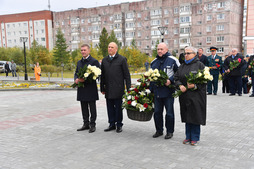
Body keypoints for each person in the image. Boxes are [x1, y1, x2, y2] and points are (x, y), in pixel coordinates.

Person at [174, 46, 207, 146]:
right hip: (185, 96)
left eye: (188, 53)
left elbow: (205, 80)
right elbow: (176, 78)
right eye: (185, 53)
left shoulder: (200, 65)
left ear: (194, 54)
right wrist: (179, 85)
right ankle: (188, 136)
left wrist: (195, 85)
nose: (186, 55)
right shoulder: (182, 66)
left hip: (196, 96)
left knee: (195, 116)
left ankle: (195, 137)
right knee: (187, 115)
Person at [150, 43, 180, 139]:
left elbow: (179, 73)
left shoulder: (173, 60)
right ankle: (159, 130)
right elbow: (150, 76)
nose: (159, 51)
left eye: (161, 49)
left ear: (166, 50)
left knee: (169, 113)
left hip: (168, 92)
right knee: (157, 113)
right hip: (157, 92)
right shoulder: (154, 62)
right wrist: (150, 90)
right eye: (158, 49)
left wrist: (171, 80)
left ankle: (170, 131)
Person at [100, 42, 131, 133]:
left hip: (118, 88)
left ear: (116, 49)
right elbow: (103, 76)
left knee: (118, 107)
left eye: (112, 47)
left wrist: (128, 88)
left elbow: (127, 75)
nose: (110, 48)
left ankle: (119, 124)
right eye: (109, 47)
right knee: (109, 107)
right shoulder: (104, 60)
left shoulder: (121, 59)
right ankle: (111, 124)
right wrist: (102, 88)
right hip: (108, 88)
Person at [75, 44, 100, 133]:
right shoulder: (79, 62)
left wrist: (85, 79)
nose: (83, 52)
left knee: (92, 107)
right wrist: (76, 79)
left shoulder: (94, 61)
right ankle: (86, 124)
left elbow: (97, 75)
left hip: (90, 88)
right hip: (82, 89)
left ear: (89, 51)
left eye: (84, 50)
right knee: (83, 107)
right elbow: (76, 72)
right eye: (81, 50)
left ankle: (92, 125)